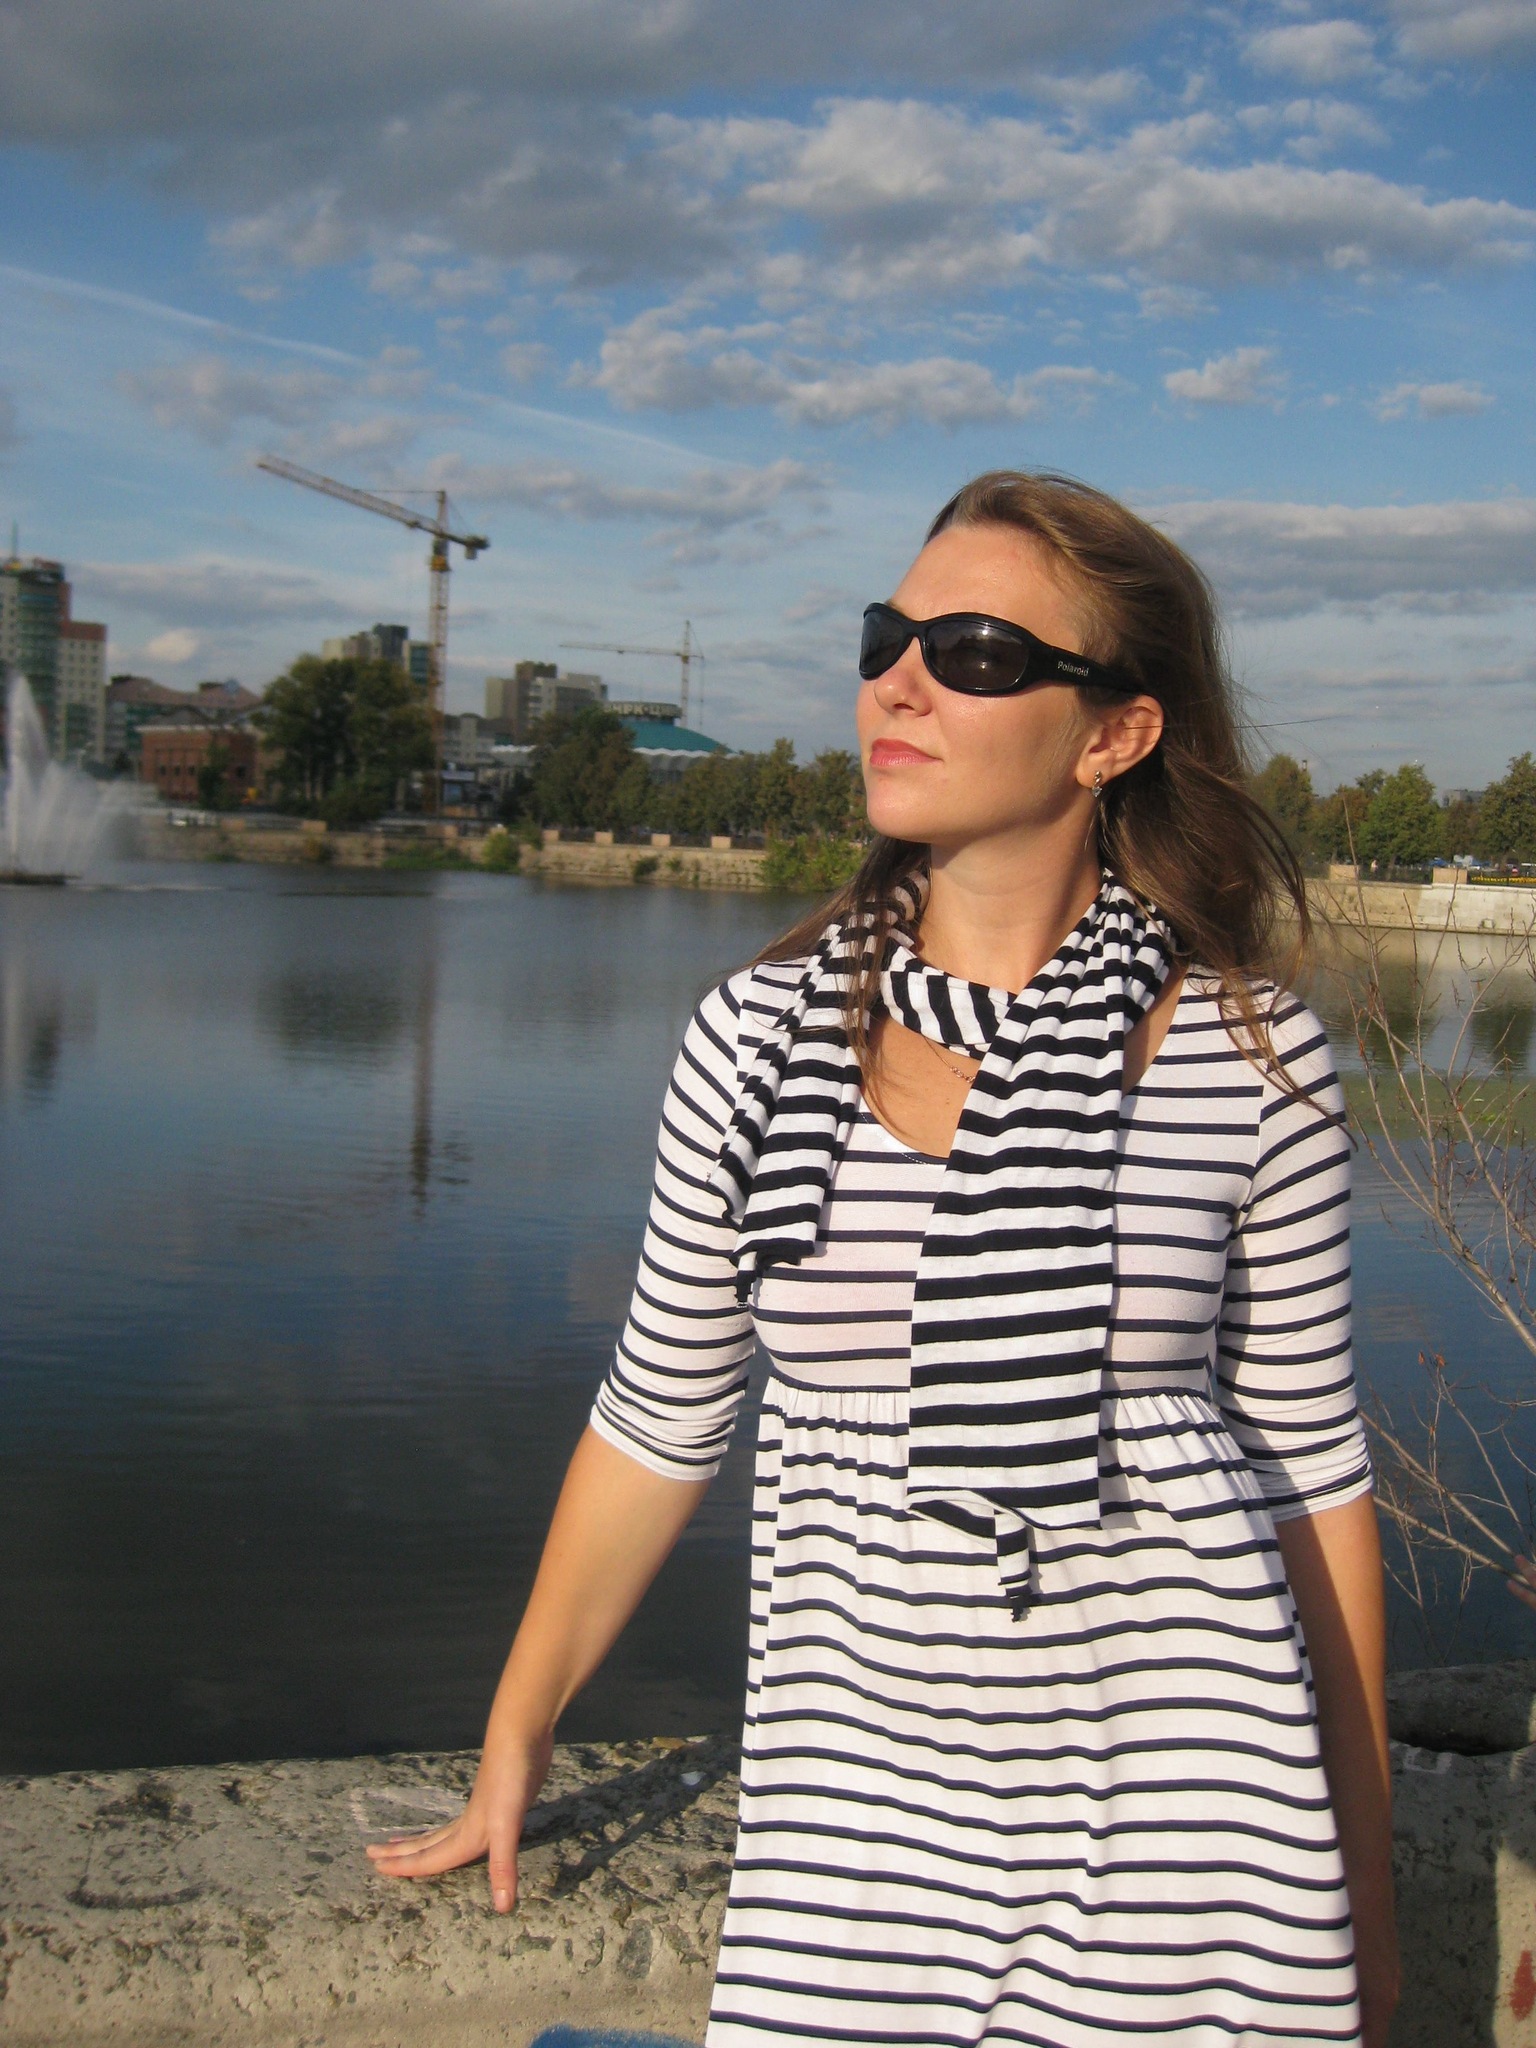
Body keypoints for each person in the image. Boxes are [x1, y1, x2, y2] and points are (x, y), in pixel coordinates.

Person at [370, 470, 1399, 2048]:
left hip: (1202, 1849)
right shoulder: (755, 1041)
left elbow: (1309, 1479)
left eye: (976, 653)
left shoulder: (1250, 1061)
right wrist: (519, 1728)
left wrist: (1364, 1891)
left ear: (1115, 733)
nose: (898, 684)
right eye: (886, 637)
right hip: (856, 1839)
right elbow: (658, 1420)